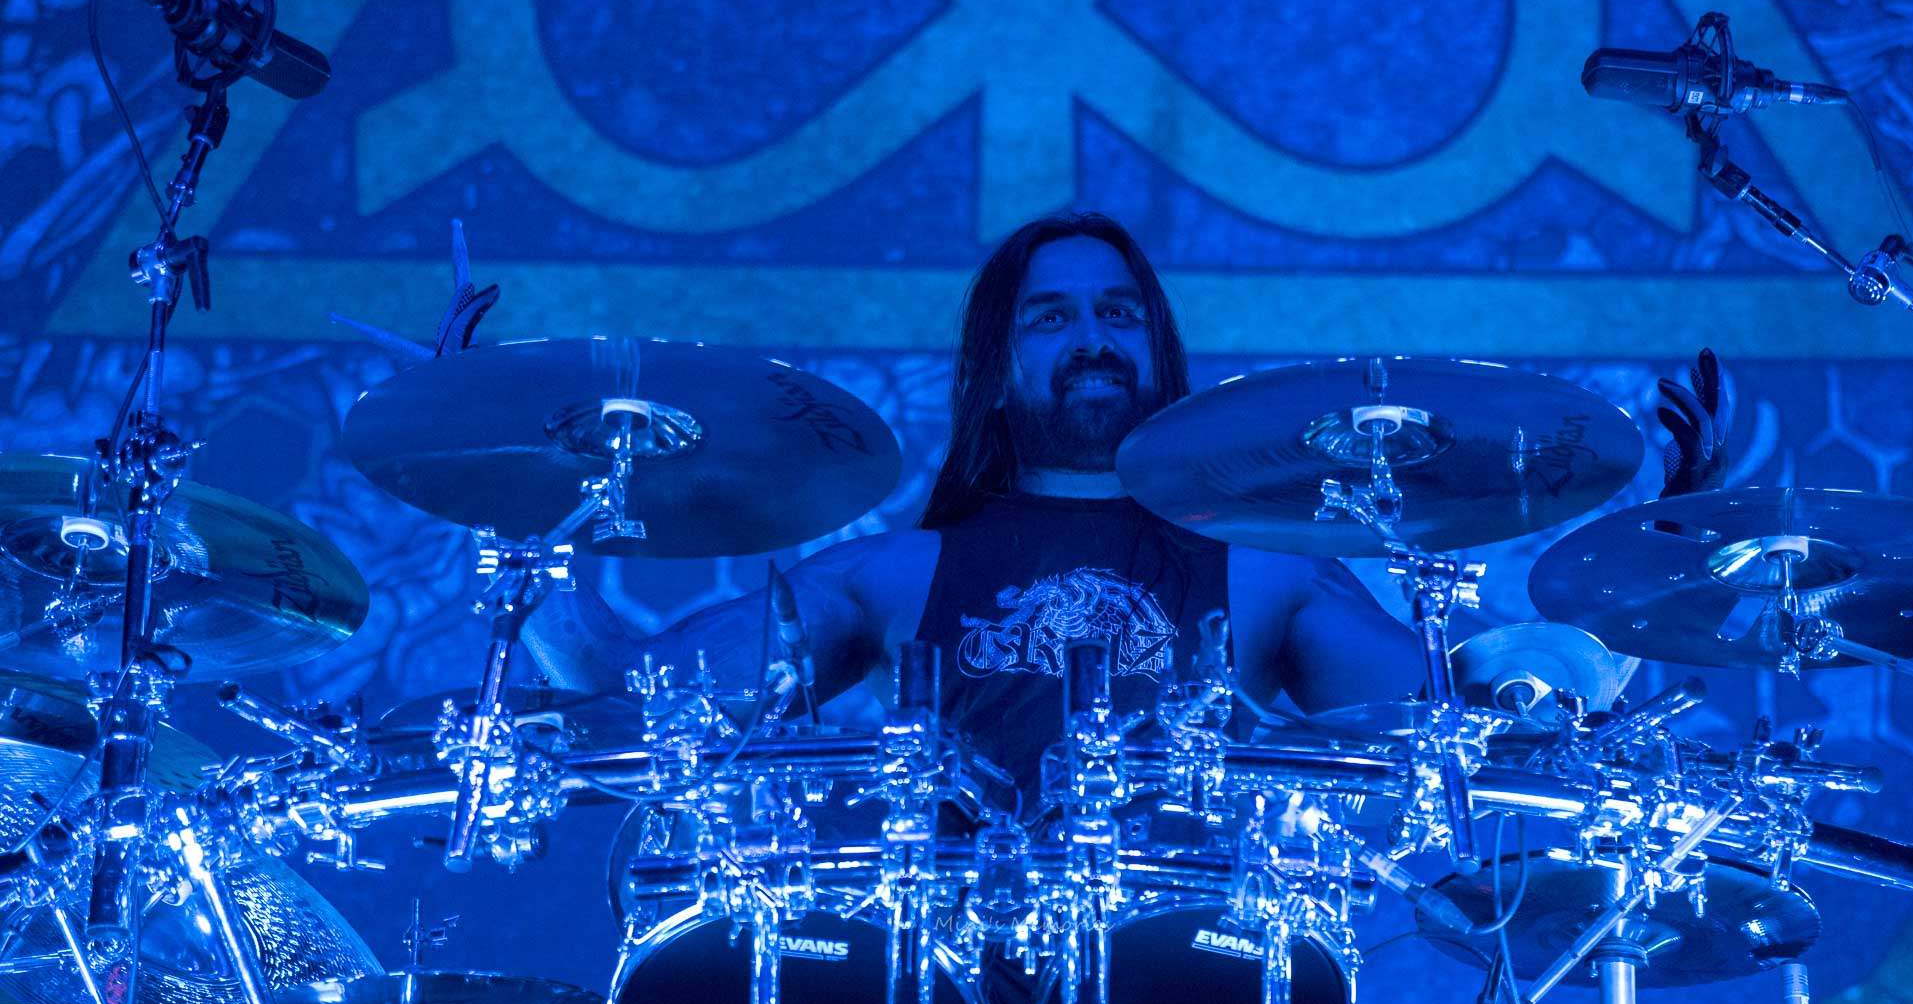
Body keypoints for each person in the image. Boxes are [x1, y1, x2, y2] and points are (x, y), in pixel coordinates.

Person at [522, 212, 1421, 796]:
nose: (1094, 339)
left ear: (1160, 352)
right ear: (994, 374)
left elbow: (1444, 728)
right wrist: (504, 498)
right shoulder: (899, 575)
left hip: (1193, 978)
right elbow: (636, 700)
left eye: (1120, 314)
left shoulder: (1268, 571)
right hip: (952, 985)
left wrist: (1507, 663)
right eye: (1051, 318)